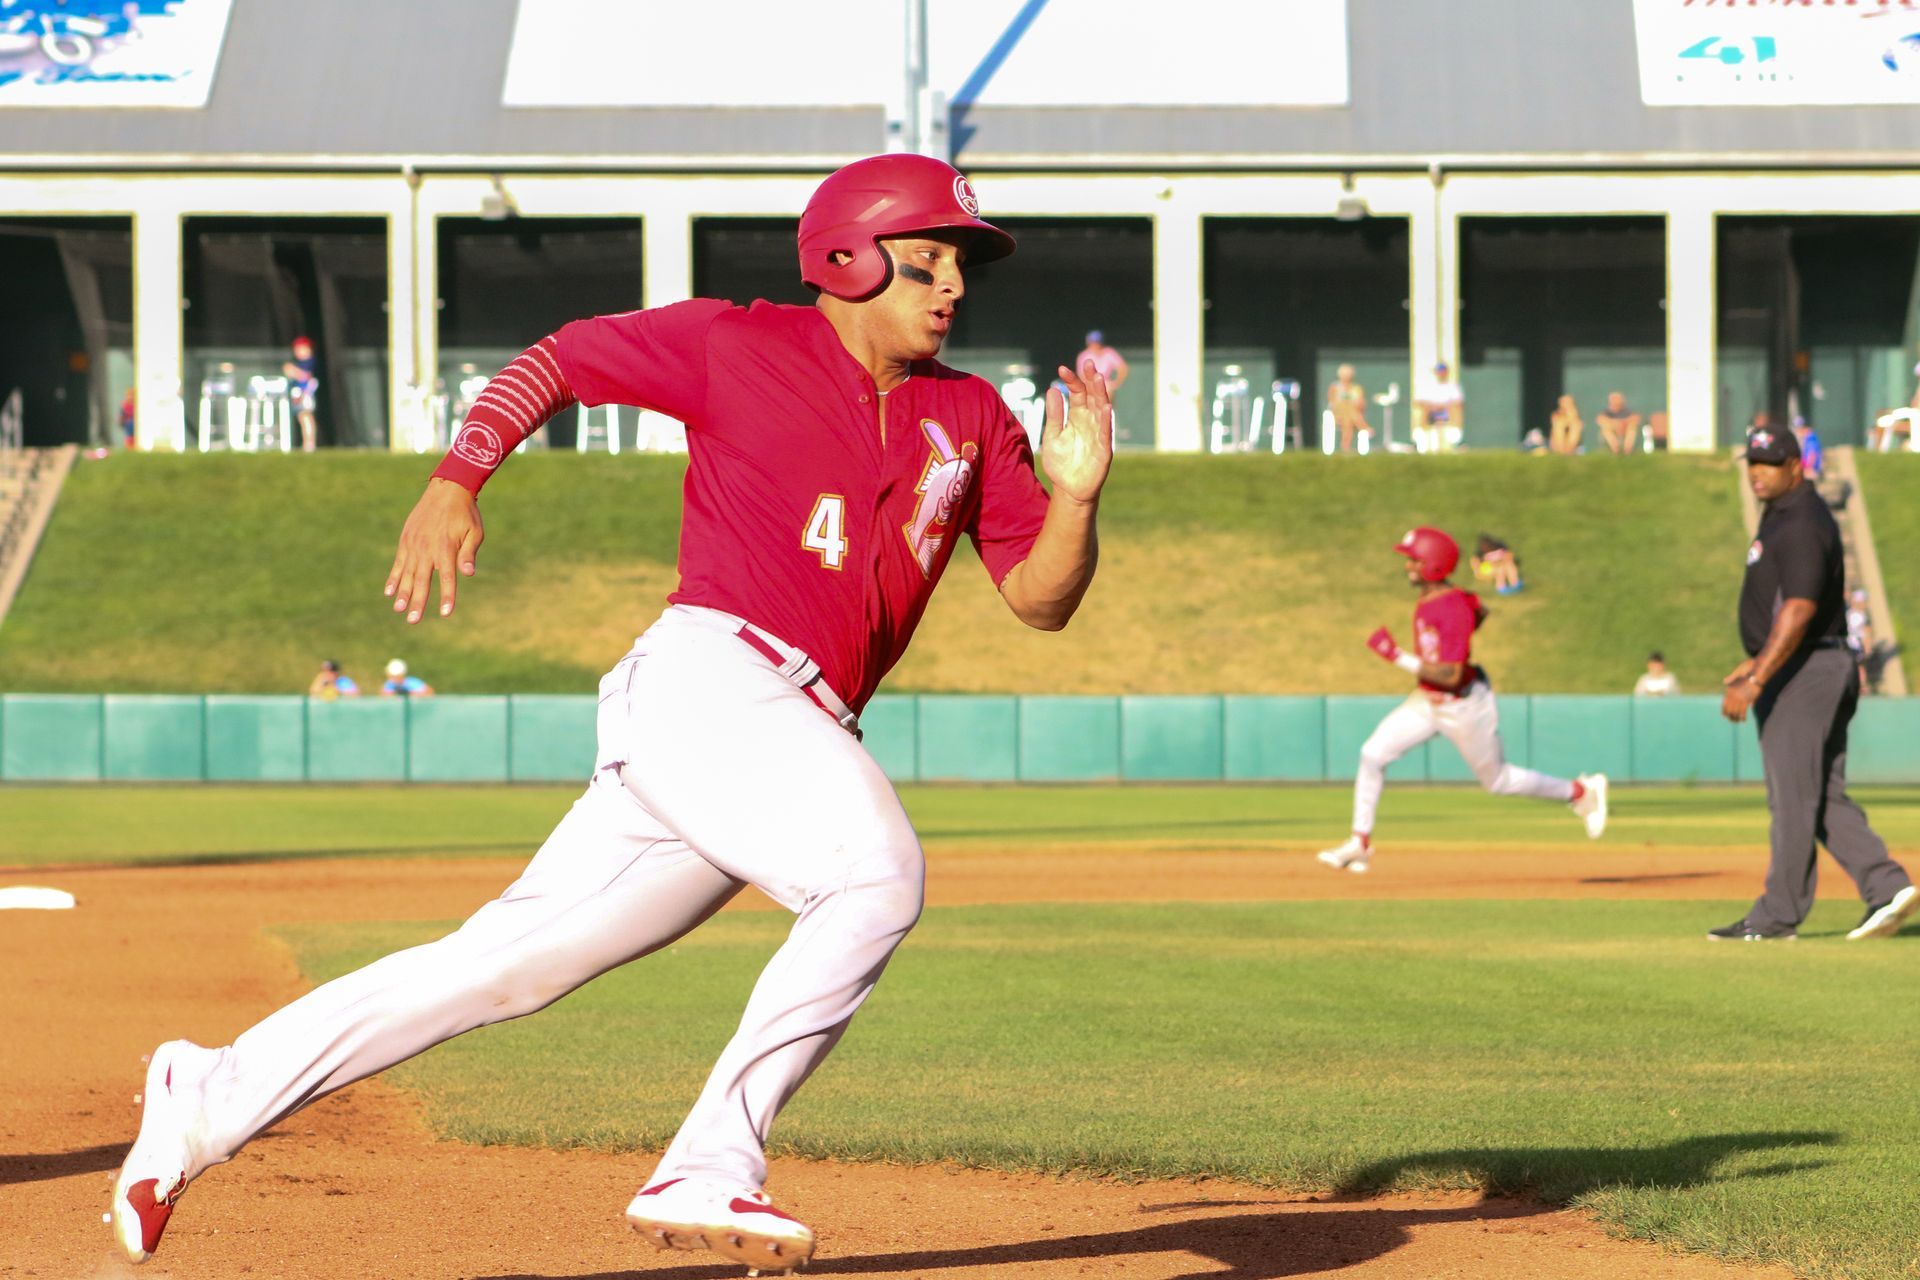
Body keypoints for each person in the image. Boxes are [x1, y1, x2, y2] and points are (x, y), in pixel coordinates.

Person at [111, 153, 1114, 1274]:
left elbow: (1040, 598)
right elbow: (558, 360)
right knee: (877, 874)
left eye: (959, 265)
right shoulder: (739, 343)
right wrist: (456, 478)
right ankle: (710, 1156)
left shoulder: (969, 414)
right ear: (847, 255)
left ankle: (209, 1089)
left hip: (785, 721)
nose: (953, 286)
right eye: (927, 259)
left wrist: (1073, 500)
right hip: (712, 671)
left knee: (506, 964)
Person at [1711, 426, 1916, 942]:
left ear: (1795, 465)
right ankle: (1887, 887)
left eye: (1769, 462)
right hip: (1805, 665)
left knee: (1790, 797)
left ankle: (1778, 916)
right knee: (1819, 793)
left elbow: (1800, 609)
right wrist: (1755, 659)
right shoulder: (1782, 513)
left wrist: (1759, 675)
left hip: (1806, 672)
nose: (1757, 471)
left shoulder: (1802, 520)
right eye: (1752, 461)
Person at [1315, 527, 1607, 875]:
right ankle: (1359, 843)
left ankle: (1580, 792)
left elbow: (1453, 676)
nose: (1407, 565)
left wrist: (1396, 656)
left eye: (1414, 560)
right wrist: (1467, 622)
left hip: (1463, 704)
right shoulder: (1444, 599)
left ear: (1434, 566)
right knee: (1372, 754)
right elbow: (1478, 609)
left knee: (1498, 782)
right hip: (1428, 699)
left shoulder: (1450, 607)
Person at [281, 335, 320, 453]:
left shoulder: (310, 362)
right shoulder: (299, 363)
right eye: (297, 349)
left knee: (306, 416)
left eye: (303, 349)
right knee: (302, 418)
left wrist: (293, 370)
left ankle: (310, 443)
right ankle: (307, 443)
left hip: (306, 394)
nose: (300, 352)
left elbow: (306, 377)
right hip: (297, 394)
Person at [1412, 362, 1462, 453]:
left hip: (1446, 412)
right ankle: (1421, 443)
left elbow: (1457, 402)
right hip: (1430, 412)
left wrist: (1443, 407)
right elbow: (1419, 402)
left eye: (1443, 371)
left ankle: (1454, 442)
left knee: (1455, 410)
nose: (1441, 373)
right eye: (1439, 371)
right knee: (1423, 411)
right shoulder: (1427, 386)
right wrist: (1433, 407)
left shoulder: (1452, 386)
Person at [1326, 363, 1370, 453]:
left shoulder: (1357, 388)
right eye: (1344, 375)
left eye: (1348, 375)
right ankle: (1363, 426)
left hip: (1353, 414)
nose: (1346, 377)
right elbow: (1333, 402)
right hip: (1337, 414)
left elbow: (1361, 403)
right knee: (1348, 412)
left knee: (1348, 419)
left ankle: (1345, 447)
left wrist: (1355, 404)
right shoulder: (1335, 388)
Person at [1074, 329, 1128, 395]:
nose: (1095, 345)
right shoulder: (1084, 355)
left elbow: (1122, 368)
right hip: (1089, 385)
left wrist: (1116, 383)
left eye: (1097, 342)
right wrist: (1089, 386)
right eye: (1093, 342)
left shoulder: (1109, 352)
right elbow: (1081, 375)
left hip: (1105, 384)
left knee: (1108, 392)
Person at [1845, 588, 1874, 691]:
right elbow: (1867, 633)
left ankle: (1860, 686)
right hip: (1853, 645)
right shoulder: (1859, 615)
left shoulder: (1850, 613)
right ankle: (1860, 686)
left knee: (1858, 666)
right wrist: (1867, 646)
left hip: (1851, 645)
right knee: (1859, 666)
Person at [1595, 391, 1641, 455]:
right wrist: (1615, 424)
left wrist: (1623, 423)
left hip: (1625, 430)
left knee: (1632, 428)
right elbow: (1600, 419)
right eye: (1614, 399)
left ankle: (1627, 450)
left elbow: (1636, 418)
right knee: (1605, 428)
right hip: (1612, 431)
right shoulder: (1607, 412)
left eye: (1617, 399)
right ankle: (1615, 448)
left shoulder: (1627, 411)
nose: (1616, 401)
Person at [1791, 416, 1823, 480]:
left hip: (1810, 470)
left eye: (1798, 428)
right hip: (1804, 468)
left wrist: (1808, 469)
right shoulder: (1803, 438)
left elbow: (1812, 454)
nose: (1797, 431)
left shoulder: (1811, 438)